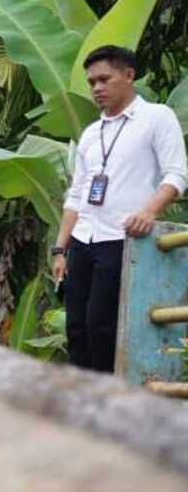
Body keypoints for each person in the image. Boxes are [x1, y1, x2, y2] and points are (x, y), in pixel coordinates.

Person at [52, 45, 187, 373]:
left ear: (129, 75)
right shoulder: (90, 134)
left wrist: (149, 211)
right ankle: (80, 406)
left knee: (103, 327)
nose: (96, 88)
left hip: (122, 239)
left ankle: (108, 405)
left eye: (104, 79)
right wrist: (59, 249)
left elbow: (177, 173)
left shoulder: (156, 117)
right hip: (84, 241)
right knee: (77, 330)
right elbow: (77, 195)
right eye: (91, 82)